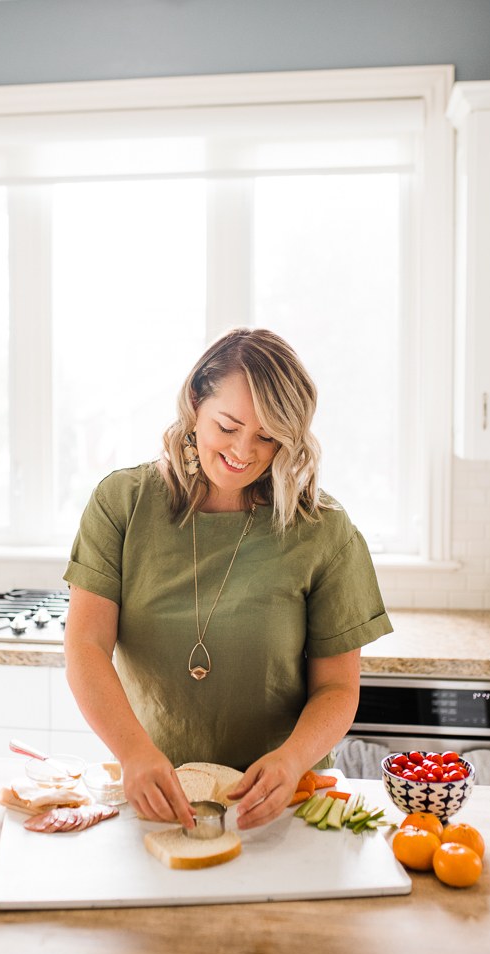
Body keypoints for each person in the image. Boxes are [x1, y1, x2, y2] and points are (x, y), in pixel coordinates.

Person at [63, 327, 392, 831]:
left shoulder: (323, 531)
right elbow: (85, 645)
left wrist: (290, 761)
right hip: (157, 791)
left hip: (285, 799)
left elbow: (337, 688)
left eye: (267, 436)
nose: (244, 451)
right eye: (228, 425)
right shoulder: (123, 503)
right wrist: (132, 754)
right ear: (196, 401)